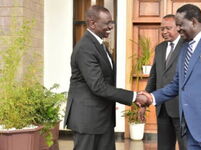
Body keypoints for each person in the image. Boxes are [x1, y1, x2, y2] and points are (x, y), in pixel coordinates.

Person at [140, 4, 201, 150]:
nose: (178, 29)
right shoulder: (185, 47)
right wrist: (151, 98)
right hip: (189, 129)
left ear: (193, 21)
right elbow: (176, 84)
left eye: (180, 25)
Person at [64, 5, 149, 150]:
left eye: (112, 23)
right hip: (88, 119)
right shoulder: (86, 47)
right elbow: (98, 86)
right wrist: (134, 97)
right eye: (107, 23)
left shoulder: (99, 45)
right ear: (92, 23)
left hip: (102, 118)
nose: (111, 27)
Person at [144, 14, 186, 150]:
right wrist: (145, 98)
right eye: (162, 29)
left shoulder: (187, 46)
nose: (164, 32)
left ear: (178, 28)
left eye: (168, 28)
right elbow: (154, 76)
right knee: (164, 147)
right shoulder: (160, 48)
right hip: (162, 108)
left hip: (181, 108)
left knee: (186, 146)